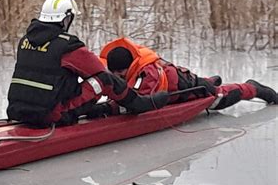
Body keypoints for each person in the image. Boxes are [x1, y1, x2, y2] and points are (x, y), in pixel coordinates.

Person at [6, 0, 169, 127]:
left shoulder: (25, 41)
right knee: (104, 80)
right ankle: (139, 104)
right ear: (66, 19)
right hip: (51, 115)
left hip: (18, 110)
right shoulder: (68, 46)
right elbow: (100, 73)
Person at [97, 37, 277, 113]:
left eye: (119, 73)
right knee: (203, 83)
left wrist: (109, 108)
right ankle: (209, 81)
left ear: (129, 66)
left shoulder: (147, 76)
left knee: (219, 98)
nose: (117, 77)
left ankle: (253, 88)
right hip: (179, 79)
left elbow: (139, 102)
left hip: (187, 87)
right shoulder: (133, 70)